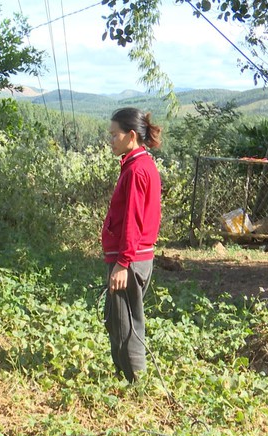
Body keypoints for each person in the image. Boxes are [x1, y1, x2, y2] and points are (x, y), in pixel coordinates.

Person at [101, 107, 162, 384]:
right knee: (117, 320)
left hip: (131, 259)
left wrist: (123, 263)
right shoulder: (137, 164)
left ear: (132, 136)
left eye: (115, 135)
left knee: (127, 325)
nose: (111, 140)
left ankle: (136, 383)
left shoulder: (137, 170)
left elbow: (133, 222)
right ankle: (123, 377)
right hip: (133, 257)